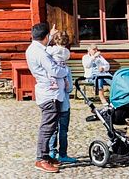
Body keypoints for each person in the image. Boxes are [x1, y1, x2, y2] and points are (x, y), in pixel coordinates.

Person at [25, 22, 68, 174]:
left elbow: (44, 46)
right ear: (45, 37)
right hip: (50, 94)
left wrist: (50, 35)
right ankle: (41, 159)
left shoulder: (34, 48)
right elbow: (55, 70)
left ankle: (45, 156)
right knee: (47, 127)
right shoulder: (41, 53)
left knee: (50, 126)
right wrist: (65, 70)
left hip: (48, 92)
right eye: (48, 36)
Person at [46, 32, 77, 164]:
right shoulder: (66, 64)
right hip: (64, 103)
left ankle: (52, 152)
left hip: (53, 100)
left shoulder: (50, 65)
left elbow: (44, 50)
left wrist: (49, 38)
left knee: (53, 129)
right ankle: (63, 154)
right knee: (63, 130)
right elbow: (69, 88)